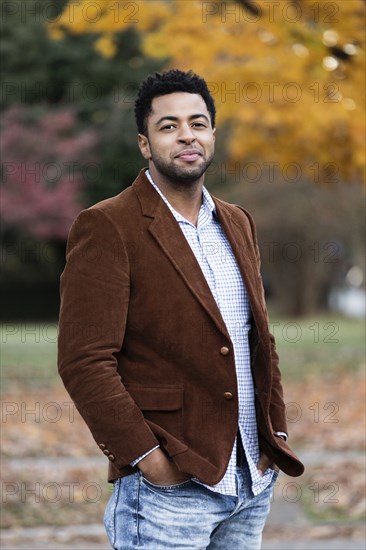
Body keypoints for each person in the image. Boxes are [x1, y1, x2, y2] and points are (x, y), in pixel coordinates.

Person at [58, 69, 304, 550]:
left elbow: (259, 339)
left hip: (249, 479)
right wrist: (147, 457)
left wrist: (275, 431)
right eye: (168, 126)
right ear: (145, 144)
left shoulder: (236, 222)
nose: (186, 134)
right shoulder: (108, 226)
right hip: (169, 489)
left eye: (198, 122)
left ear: (212, 133)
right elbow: (84, 361)